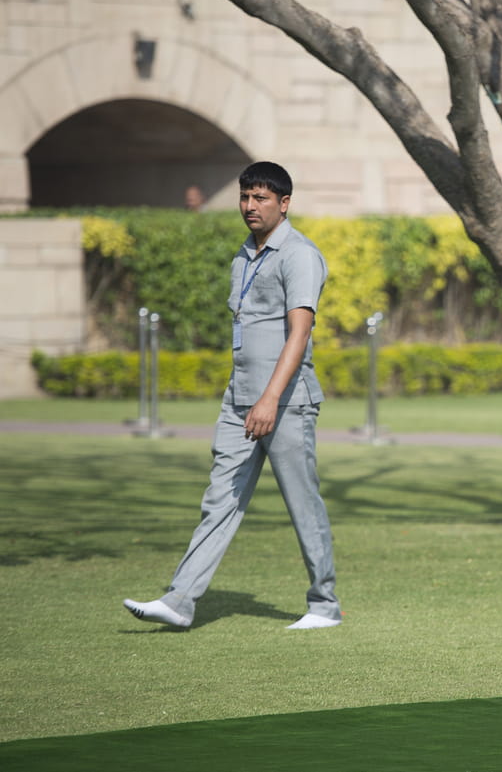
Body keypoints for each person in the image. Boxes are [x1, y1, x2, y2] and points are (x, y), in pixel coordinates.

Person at [124, 161, 341, 631]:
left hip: (285, 403)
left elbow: (299, 333)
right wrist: (245, 396)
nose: (250, 206)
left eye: (261, 198)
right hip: (239, 400)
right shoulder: (242, 257)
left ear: (284, 204)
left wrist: (269, 399)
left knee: (302, 503)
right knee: (219, 499)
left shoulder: (299, 255)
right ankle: (181, 600)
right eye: (245, 197)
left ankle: (325, 605)